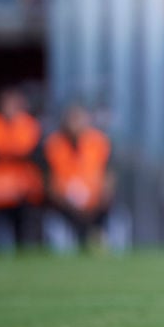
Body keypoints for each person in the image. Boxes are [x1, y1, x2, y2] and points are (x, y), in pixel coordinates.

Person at [0, 87, 44, 252]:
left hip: (23, 189)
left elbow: (34, 154)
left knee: (25, 236)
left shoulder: (29, 124)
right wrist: (15, 154)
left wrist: (9, 155)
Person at [43, 103, 113, 250]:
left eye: (79, 119)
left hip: (95, 200)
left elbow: (109, 174)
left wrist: (101, 196)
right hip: (65, 202)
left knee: (104, 209)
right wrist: (67, 199)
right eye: (72, 119)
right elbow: (50, 181)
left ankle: (98, 239)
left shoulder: (98, 142)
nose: (75, 124)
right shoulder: (54, 144)